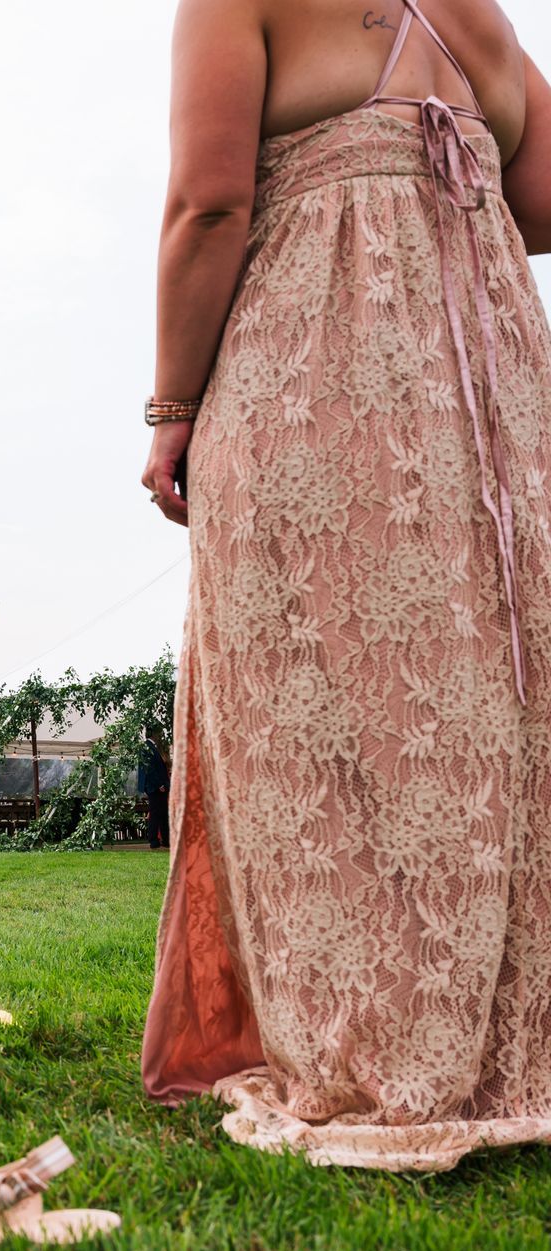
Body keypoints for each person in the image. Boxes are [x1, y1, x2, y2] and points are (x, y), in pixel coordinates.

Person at [139, 0, 551, 1172]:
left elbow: (208, 204)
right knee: (477, 716)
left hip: (318, 379)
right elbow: (549, 201)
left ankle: (380, 1050)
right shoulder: (478, 15)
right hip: (491, 411)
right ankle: (493, 1039)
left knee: (317, 729)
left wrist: (172, 410)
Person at [139, 728, 171, 850]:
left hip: (157, 786)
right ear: (154, 733)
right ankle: (154, 840)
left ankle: (165, 839)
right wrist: (159, 785)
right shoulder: (147, 748)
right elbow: (150, 769)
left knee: (162, 814)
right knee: (156, 814)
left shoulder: (152, 747)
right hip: (155, 787)